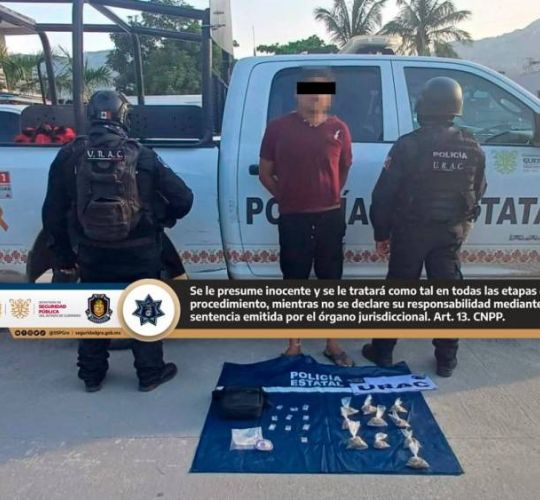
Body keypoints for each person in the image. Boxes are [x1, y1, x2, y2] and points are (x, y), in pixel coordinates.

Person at [42, 90, 193, 392]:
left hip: (92, 249)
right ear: (125, 117)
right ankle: (150, 374)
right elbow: (183, 198)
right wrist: (162, 219)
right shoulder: (143, 154)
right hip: (140, 248)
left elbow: (53, 212)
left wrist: (63, 256)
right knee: (145, 307)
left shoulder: (70, 155)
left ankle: (91, 375)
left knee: (96, 308)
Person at [363, 77, 487, 377]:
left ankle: (382, 351)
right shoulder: (471, 145)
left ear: (424, 107)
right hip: (449, 233)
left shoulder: (408, 144)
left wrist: (381, 233)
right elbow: (478, 189)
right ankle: (446, 360)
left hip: (410, 232)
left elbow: (383, 195)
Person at [259, 67, 354, 367]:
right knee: (294, 281)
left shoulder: (339, 129)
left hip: (330, 217)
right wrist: (286, 197)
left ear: (329, 96)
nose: (315, 95)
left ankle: (332, 344)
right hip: (293, 218)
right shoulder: (277, 128)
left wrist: (329, 194)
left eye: (322, 90)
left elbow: (343, 169)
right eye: (309, 89)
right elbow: (265, 172)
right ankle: (294, 346)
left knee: (331, 281)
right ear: (297, 93)